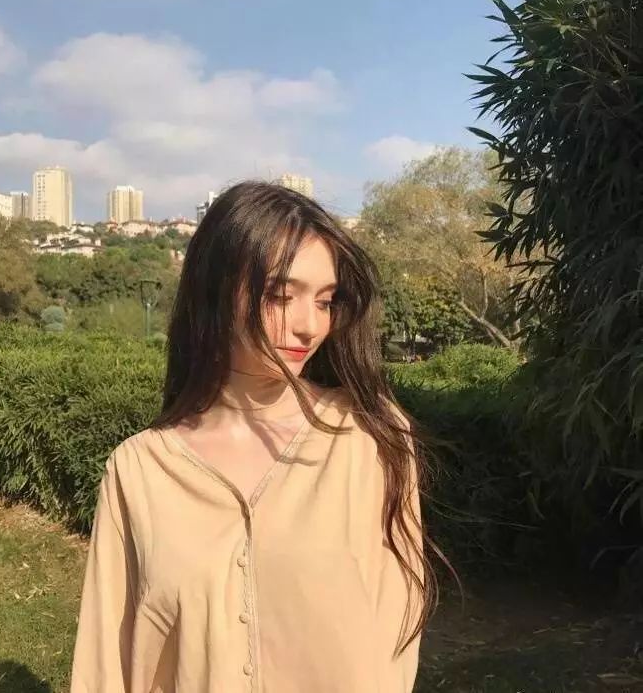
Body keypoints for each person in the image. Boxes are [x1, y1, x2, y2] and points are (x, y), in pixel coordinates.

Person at [69, 181, 434, 693]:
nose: (309, 326)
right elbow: (106, 665)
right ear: (216, 291)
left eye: (325, 301)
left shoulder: (370, 437)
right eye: (281, 296)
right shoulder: (140, 470)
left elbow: (397, 628)